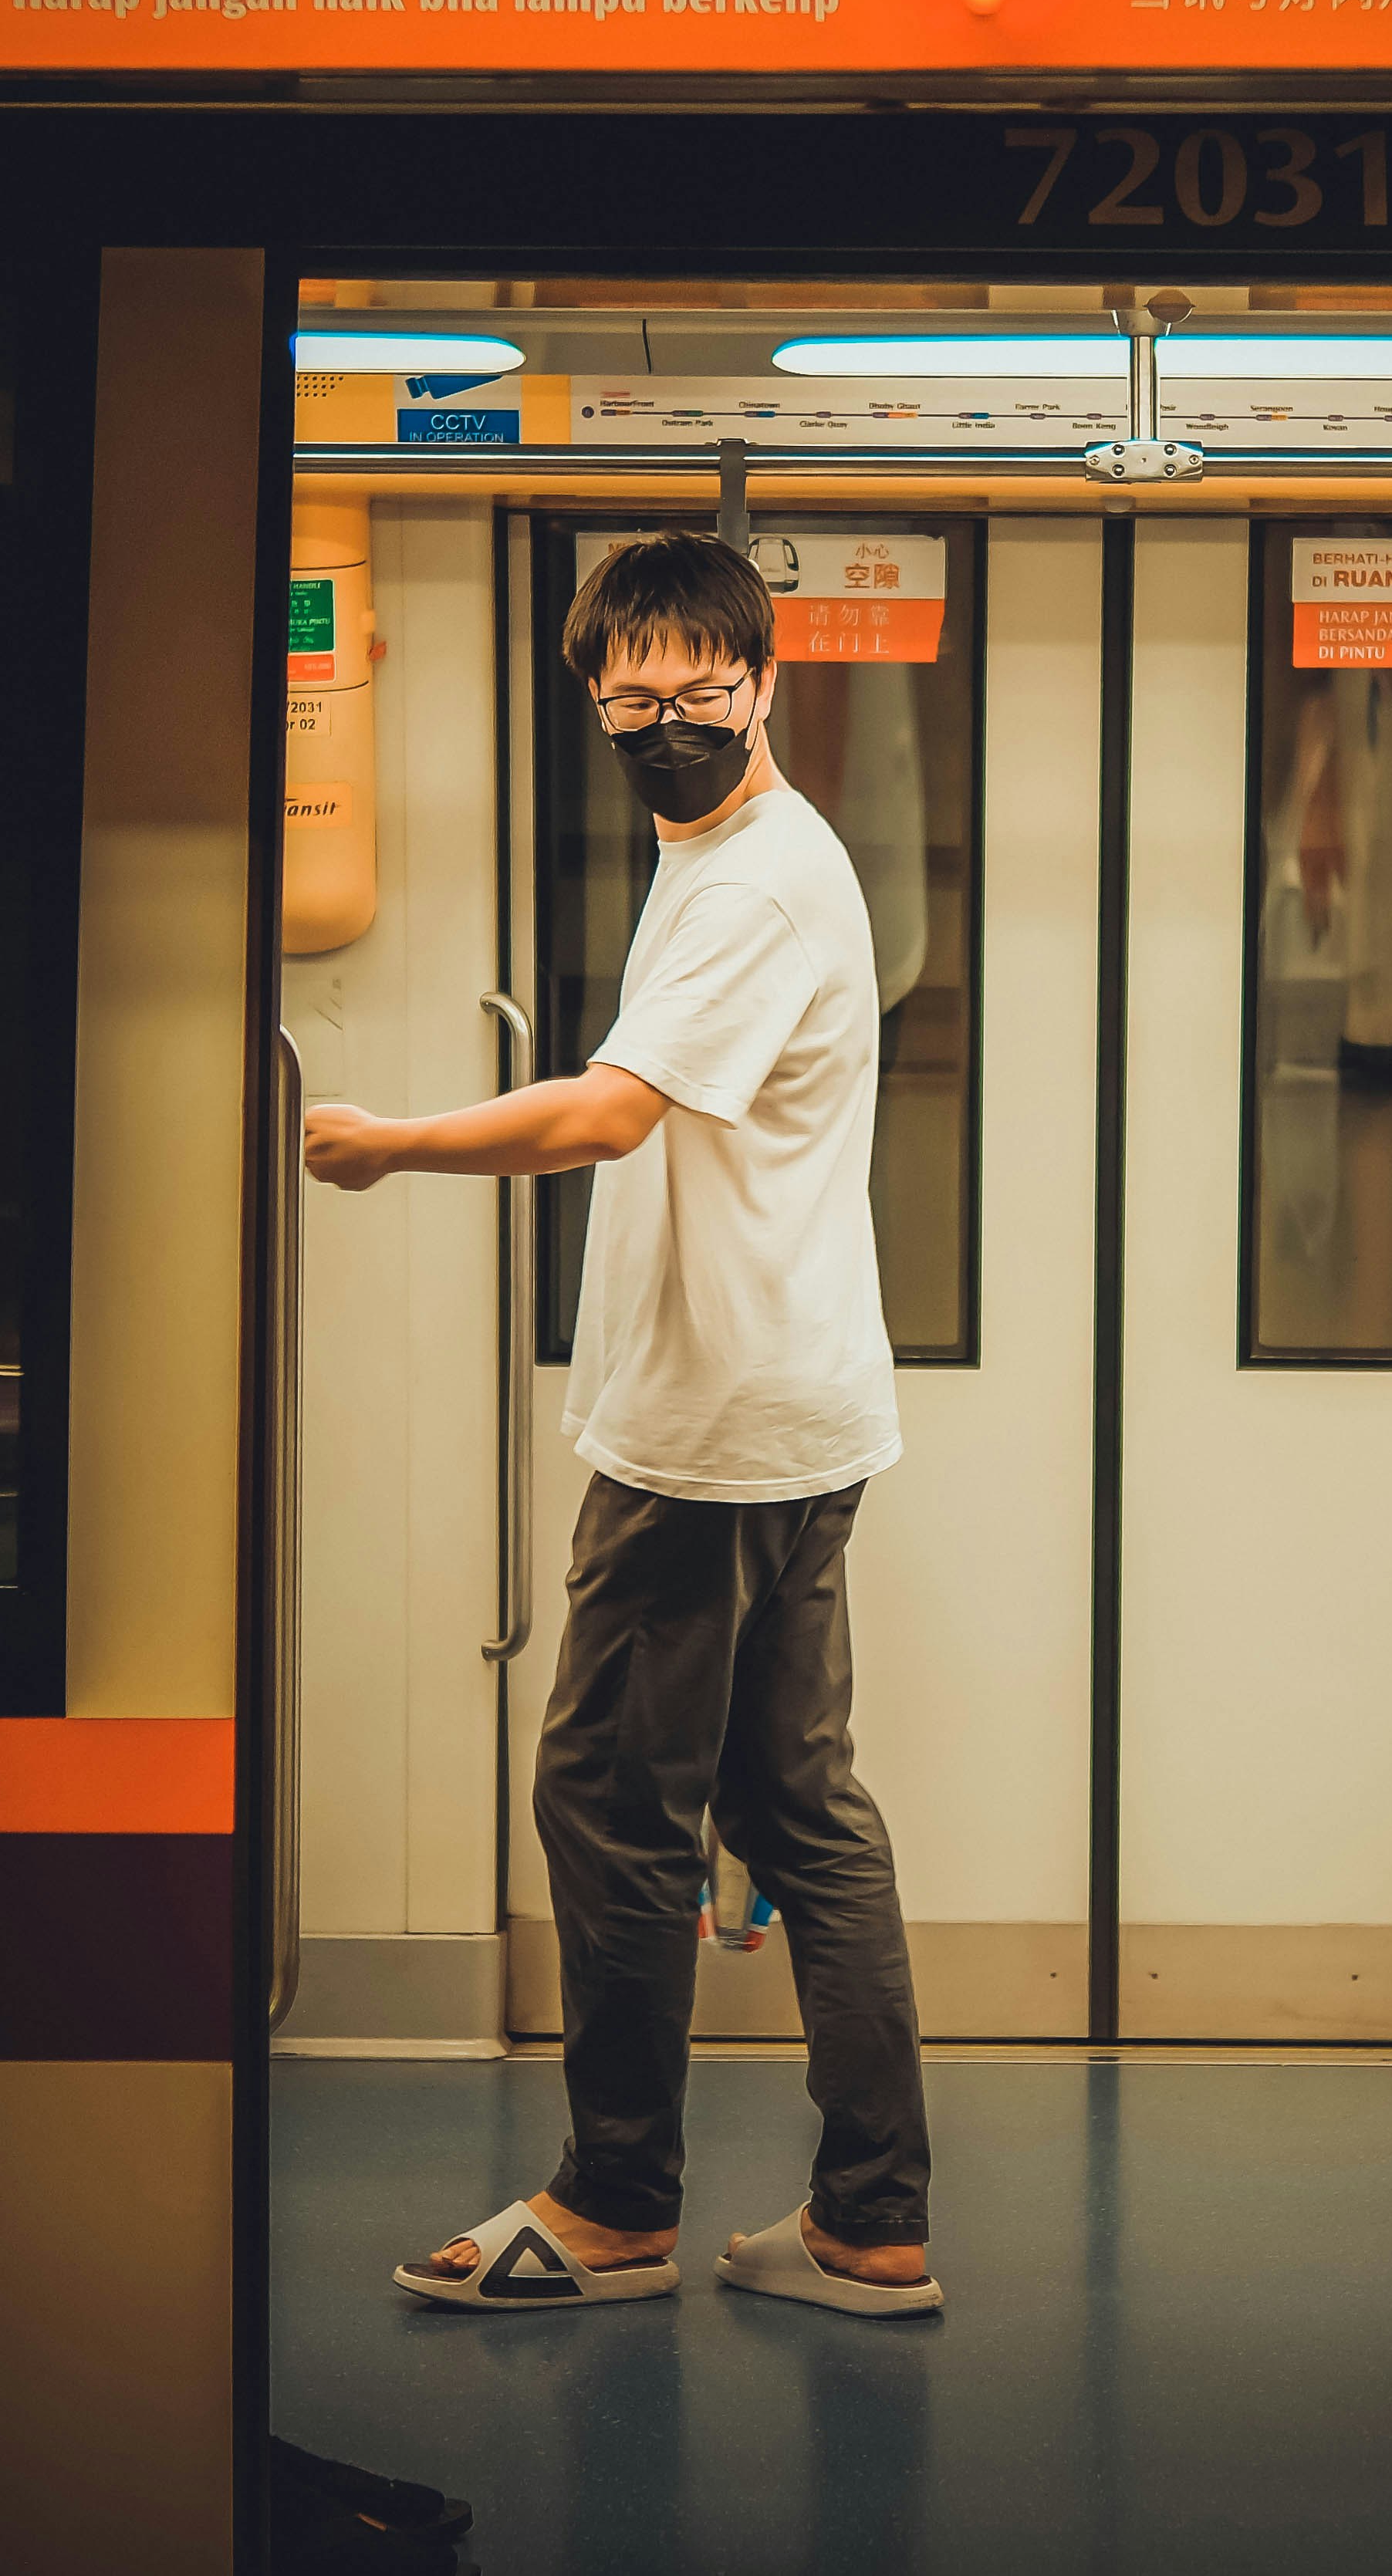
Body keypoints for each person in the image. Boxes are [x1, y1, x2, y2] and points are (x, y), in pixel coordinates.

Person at [304, 529, 938, 2321]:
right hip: (791, 1407)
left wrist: (383, 1144)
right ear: (593, 693)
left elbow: (605, 1117)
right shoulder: (739, 847)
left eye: (697, 687)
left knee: (607, 1797)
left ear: (765, 680)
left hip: (712, 1436)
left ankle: (611, 2206)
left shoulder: (746, 889)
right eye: (629, 693)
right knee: (797, 1805)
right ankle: (867, 2222)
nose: (662, 719)